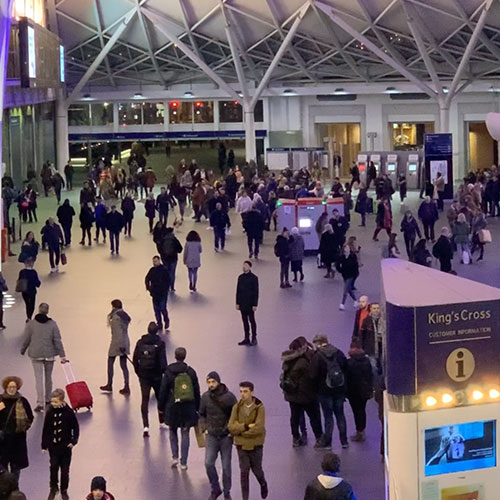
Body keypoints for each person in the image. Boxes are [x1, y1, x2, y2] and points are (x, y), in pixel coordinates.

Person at [159, 347, 201, 470]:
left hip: (172, 406)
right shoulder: (191, 372)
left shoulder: (168, 371)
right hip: (188, 407)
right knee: (185, 432)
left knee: (172, 430)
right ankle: (184, 462)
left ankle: (175, 457)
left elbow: (163, 390)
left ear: (175, 356)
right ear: (185, 356)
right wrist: (197, 408)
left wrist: (161, 407)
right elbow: (196, 391)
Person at [20, 304, 66, 412]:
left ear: (39, 310)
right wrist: (62, 355)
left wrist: (23, 349)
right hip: (49, 354)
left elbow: (27, 338)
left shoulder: (31, 324)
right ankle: (48, 400)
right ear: (47, 311)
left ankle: (40, 402)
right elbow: (57, 340)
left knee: (39, 379)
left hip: (35, 354)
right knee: (48, 378)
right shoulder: (52, 324)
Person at [199, 372, 237, 500]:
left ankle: (227, 492)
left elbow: (236, 415)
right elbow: (202, 414)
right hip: (212, 436)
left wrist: (232, 431)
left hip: (226, 437)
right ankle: (215, 488)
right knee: (209, 463)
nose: (211, 385)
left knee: (226, 467)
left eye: (213, 382)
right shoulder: (205, 397)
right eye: (209, 382)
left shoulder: (230, 398)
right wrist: (204, 428)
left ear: (218, 382)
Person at [228, 381, 268, 500]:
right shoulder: (237, 407)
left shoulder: (259, 407)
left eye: (245, 391)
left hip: (256, 444)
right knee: (244, 472)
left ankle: (263, 483)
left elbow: (259, 428)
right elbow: (230, 426)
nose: (242, 394)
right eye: (241, 391)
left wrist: (240, 431)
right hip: (241, 445)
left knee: (257, 470)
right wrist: (246, 426)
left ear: (252, 392)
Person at [280, 338, 323, 448]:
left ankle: (296, 438)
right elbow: (313, 376)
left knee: (295, 417)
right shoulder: (303, 362)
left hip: (292, 395)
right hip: (307, 395)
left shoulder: (288, 361)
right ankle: (319, 438)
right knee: (314, 417)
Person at [310, 334, 348, 450]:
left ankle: (328, 443)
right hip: (339, 389)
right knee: (340, 415)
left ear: (319, 343)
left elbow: (313, 375)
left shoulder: (317, 356)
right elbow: (345, 367)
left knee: (328, 417)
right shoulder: (338, 352)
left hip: (324, 391)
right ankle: (344, 441)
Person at [41, 388, 79, 500]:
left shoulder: (68, 412)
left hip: (65, 447)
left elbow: (75, 427)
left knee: (65, 469)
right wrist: (44, 445)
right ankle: (53, 488)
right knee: (53, 467)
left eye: (56, 402)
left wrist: (73, 441)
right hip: (54, 447)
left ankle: (64, 489)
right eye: (52, 402)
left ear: (62, 401)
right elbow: (46, 429)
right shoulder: (50, 412)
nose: (53, 404)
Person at [132, 322, 167, 437]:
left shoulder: (140, 342)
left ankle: (146, 426)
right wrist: (162, 373)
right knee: (160, 399)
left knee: (145, 400)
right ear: (156, 331)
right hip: (156, 376)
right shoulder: (160, 343)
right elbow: (163, 363)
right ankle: (162, 421)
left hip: (144, 376)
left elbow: (135, 359)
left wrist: (139, 372)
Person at [0, 377, 33, 483]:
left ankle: (14, 488)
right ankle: (5, 487)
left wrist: (23, 428)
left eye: (14, 387)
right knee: (2, 466)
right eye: (10, 387)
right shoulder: (0, 400)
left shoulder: (23, 401)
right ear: (5, 387)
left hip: (18, 440)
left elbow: (30, 417)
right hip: (3, 440)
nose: (12, 389)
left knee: (16, 468)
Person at [99, 300, 131, 395]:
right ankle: (126, 386)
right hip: (125, 341)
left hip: (117, 343)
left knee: (110, 362)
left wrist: (120, 346)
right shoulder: (124, 315)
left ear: (114, 307)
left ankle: (109, 384)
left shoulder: (116, 317)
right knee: (123, 365)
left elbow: (118, 333)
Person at [345, 344, 373, 443]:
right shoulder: (366, 361)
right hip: (364, 391)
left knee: (357, 412)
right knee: (362, 410)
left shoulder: (349, 363)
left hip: (353, 392)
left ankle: (359, 432)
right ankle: (361, 431)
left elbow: (347, 379)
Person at [236, 261, 259, 346]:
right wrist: (237, 303)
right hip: (242, 303)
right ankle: (246, 337)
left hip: (250, 303)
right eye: (243, 265)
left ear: (250, 267)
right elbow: (238, 291)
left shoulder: (254, 278)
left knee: (252, 321)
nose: (244, 267)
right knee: (245, 321)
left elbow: (256, 292)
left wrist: (255, 304)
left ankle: (254, 337)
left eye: (246, 265)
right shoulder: (240, 277)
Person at [145, 255, 171, 331]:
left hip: (163, 293)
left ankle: (166, 320)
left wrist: (166, 289)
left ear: (159, 261)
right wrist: (149, 288)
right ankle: (159, 323)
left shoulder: (164, 270)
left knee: (162, 308)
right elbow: (147, 278)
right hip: (155, 293)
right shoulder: (152, 270)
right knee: (156, 310)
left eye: (156, 261)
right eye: (153, 261)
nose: (154, 263)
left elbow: (168, 280)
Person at [336, 245, 359, 311]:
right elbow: (337, 265)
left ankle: (342, 304)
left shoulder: (353, 256)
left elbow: (355, 265)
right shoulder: (341, 257)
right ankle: (355, 301)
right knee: (348, 289)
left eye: (348, 248)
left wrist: (355, 273)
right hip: (345, 275)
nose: (347, 249)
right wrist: (340, 270)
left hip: (352, 275)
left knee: (345, 289)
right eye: (346, 248)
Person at [160, 228, 183, 292]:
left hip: (165, 258)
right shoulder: (174, 239)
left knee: (166, 272)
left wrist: (163, 254)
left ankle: (166, 286)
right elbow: (180, 249)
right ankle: (172, 287)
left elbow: (160, 248)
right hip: (173, 258)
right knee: (172, 273)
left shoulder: (163, 239)